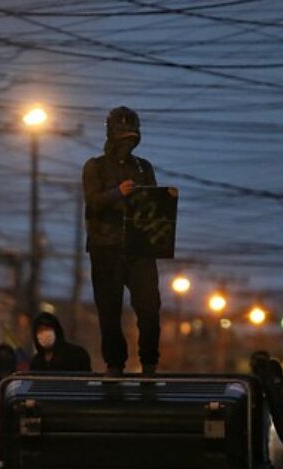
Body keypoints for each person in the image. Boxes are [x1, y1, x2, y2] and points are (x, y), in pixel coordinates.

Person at [82, 106, 161, 376]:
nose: (127, 144)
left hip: (140, 245)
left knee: (150, 306)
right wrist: (118, 193)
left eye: (132, 138)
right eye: (122, 138)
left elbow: (153, 203)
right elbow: (92, 202)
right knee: (109, 309)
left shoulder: (143, 167)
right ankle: (114, 364)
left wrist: (166, 198)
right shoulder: (95, 167)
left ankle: (149, 363)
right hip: (106, 246)